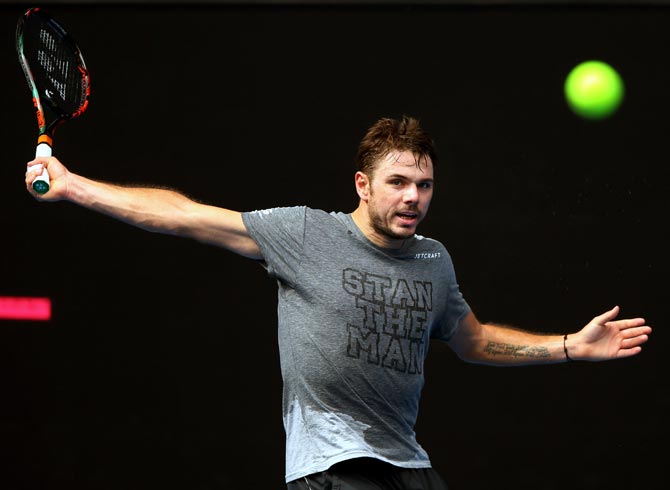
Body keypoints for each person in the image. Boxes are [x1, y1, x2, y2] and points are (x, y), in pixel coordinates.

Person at [24, 115, 651, 490]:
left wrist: (569, 346)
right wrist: (76, 187)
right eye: (398, 182)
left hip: (409, 465)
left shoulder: (434, 261)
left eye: (425, 184)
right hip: (331, 465)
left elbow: (475, 340)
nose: (414, 197)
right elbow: (186, 217)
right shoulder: (305, 233)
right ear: (363, 184)